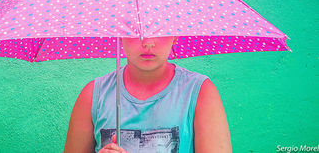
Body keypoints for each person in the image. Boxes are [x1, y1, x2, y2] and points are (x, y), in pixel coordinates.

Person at [63, 36, 231, 153]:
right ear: (121, 34)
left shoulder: (200, 93)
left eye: (159, 29)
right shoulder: (93, 95)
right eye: (137, 31)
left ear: (175, 35)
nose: (148, 43)